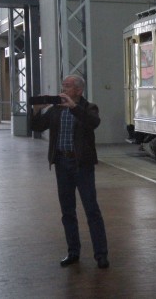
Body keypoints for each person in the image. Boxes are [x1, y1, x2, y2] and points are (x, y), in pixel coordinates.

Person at [31, 74, 109, 269]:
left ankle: (101, 254)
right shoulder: (56, 110)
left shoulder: (89, 107)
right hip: (62, 164)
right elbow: (37, 127)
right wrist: (36, 111)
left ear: (79, 90)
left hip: (81, 165)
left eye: (67, 87)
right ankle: (73, 252)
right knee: (67, 211)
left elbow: (93, 122)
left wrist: (74, 108)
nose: (63, 89)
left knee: (92, 210)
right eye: (63, 86)